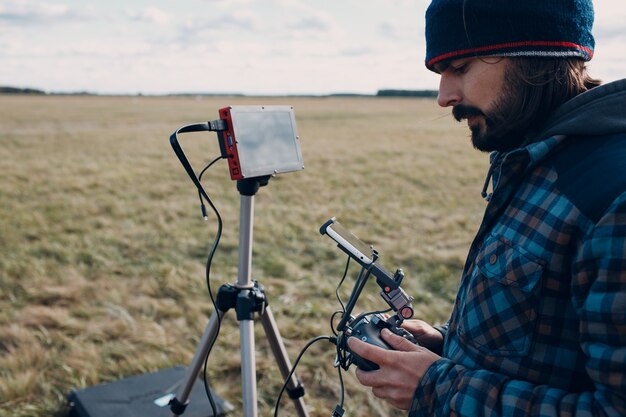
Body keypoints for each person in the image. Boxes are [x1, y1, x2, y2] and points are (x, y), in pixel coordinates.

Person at [347, 0, 626, 415]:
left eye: (459, 66)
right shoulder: (532, 159)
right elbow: (548, 345)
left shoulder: (613, 193)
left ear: (534, 53)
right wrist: (449, 344)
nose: (444, 97)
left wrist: (437, 387)